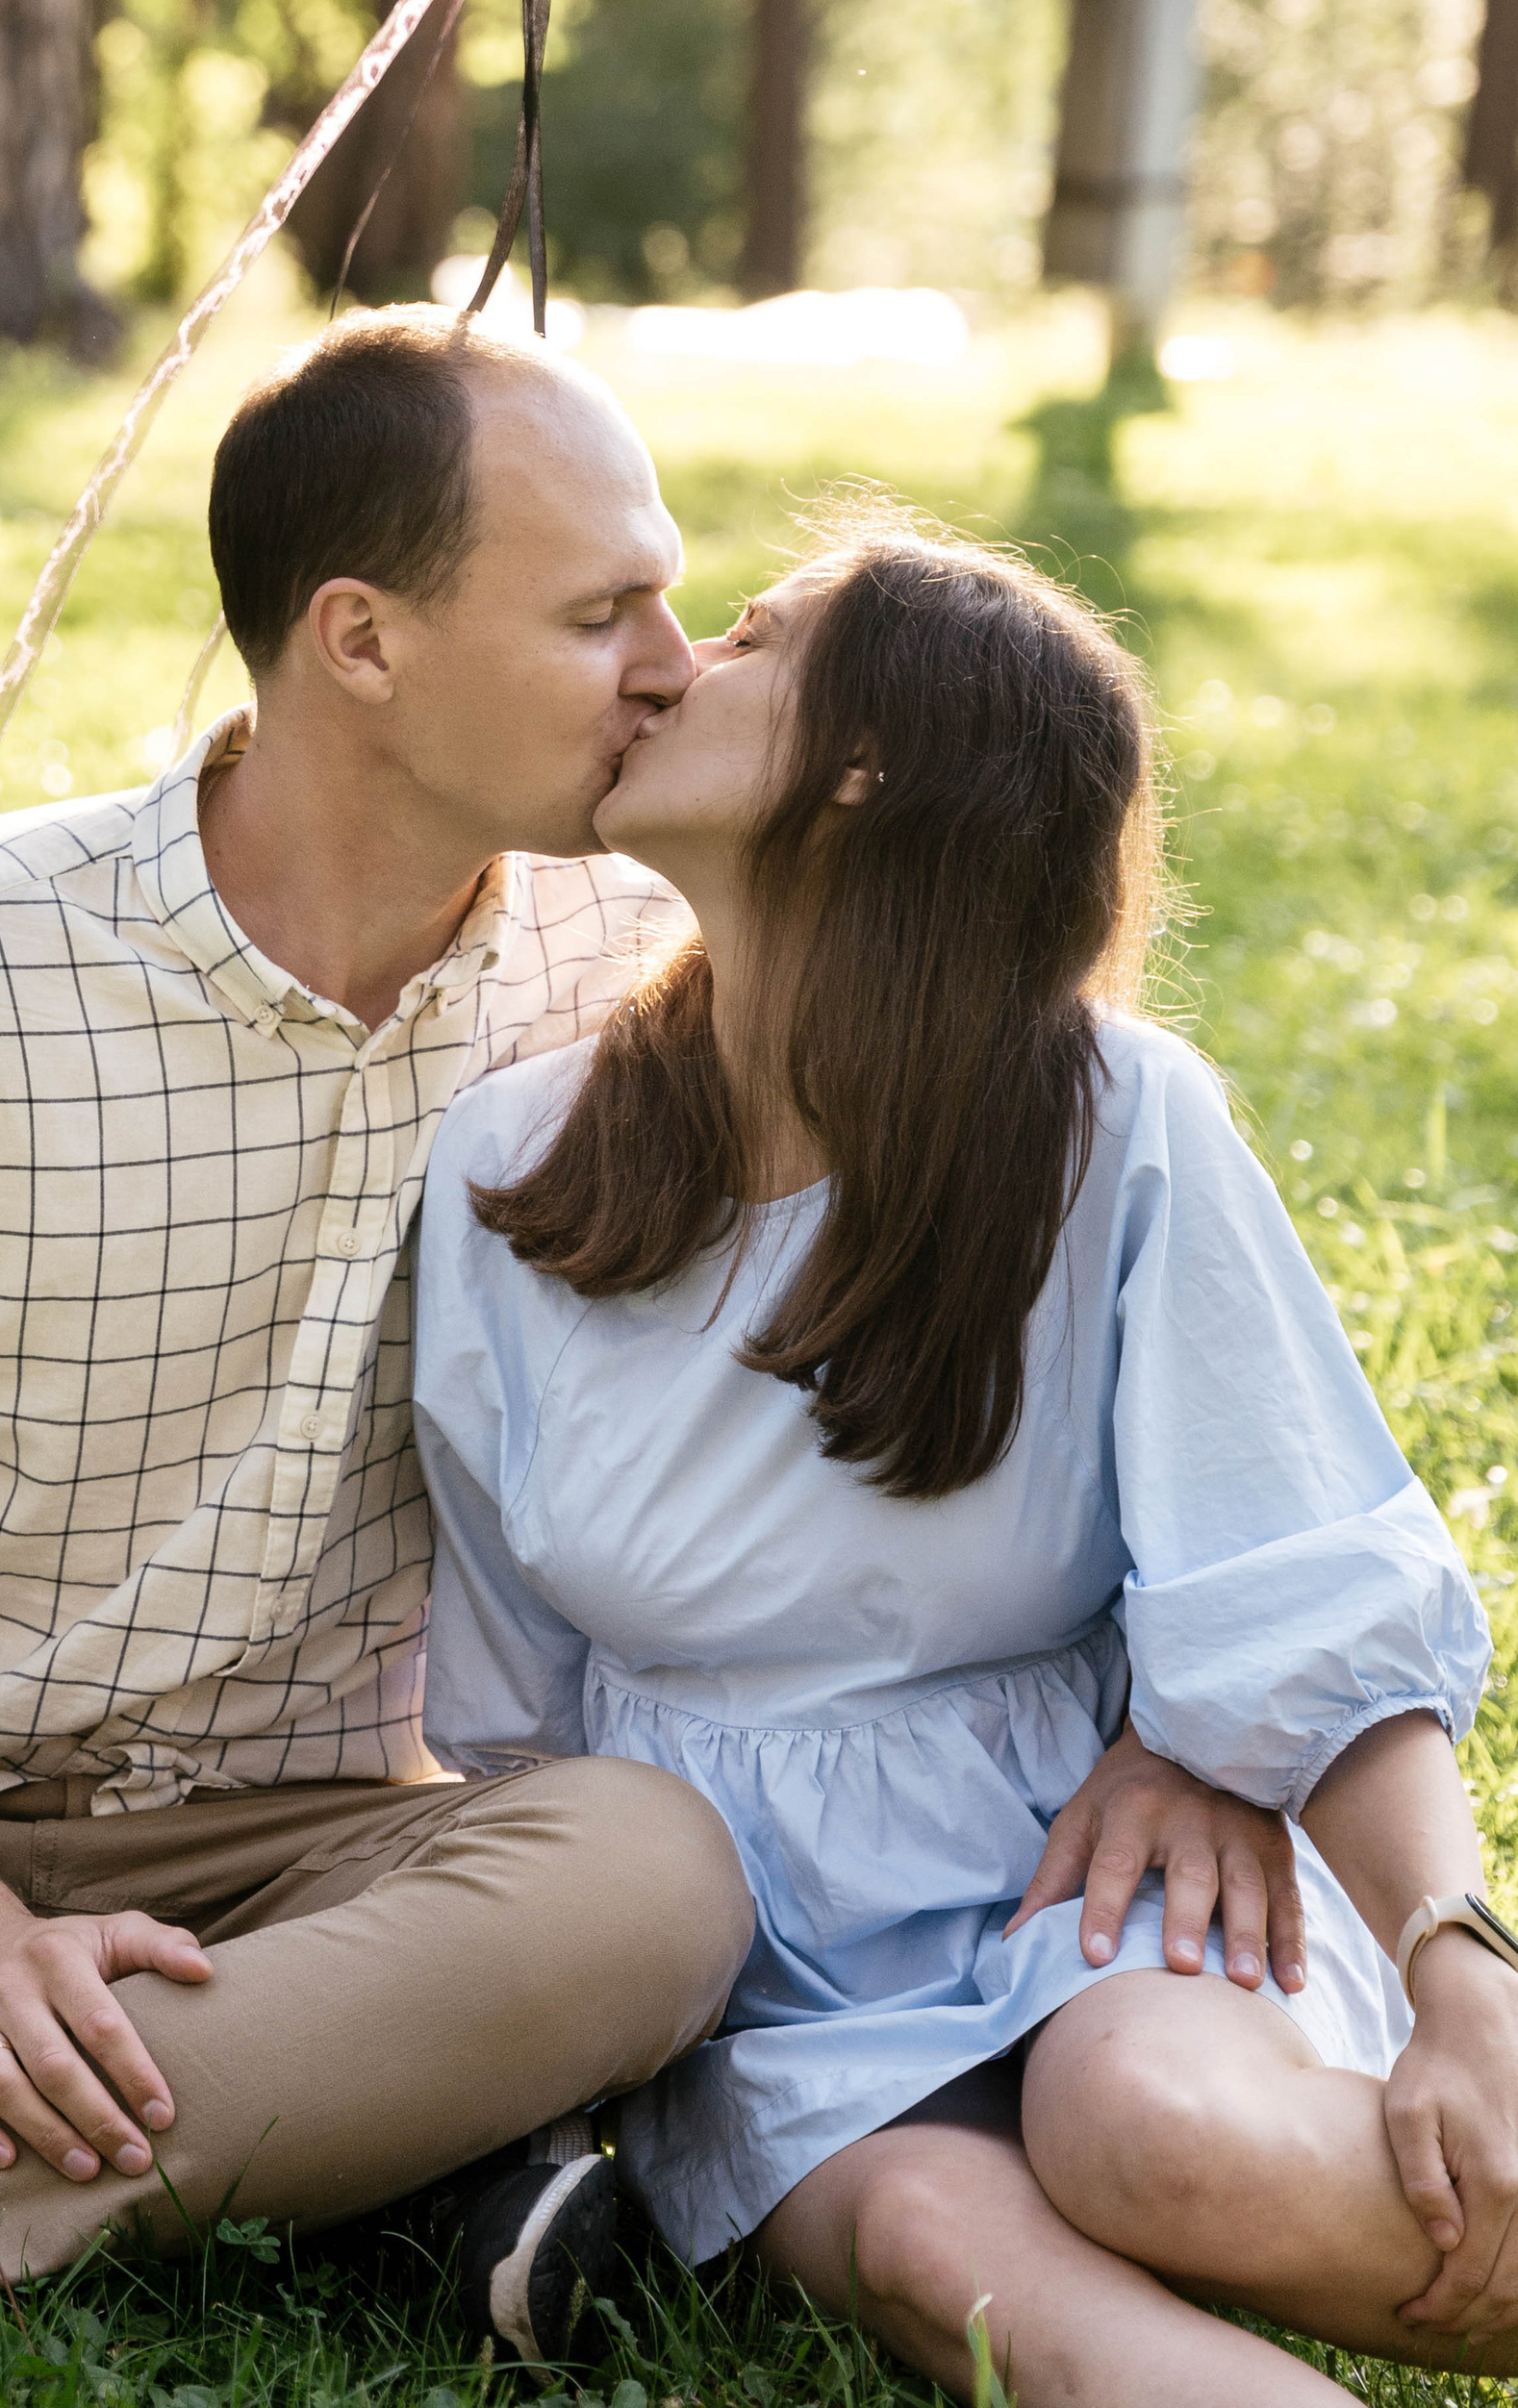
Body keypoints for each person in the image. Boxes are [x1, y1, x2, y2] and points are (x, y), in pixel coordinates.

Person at [0, 323, 1289, 2370]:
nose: (671, 664)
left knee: (651, 1882)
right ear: (359, 642)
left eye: (671, 605)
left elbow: (1041, 1265)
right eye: (601, 614)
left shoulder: (653, 973)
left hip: (341, 1855)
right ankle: (383, 2153)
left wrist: (1179, 1721)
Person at [414, 511, 1510, 2403]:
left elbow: (1300, 1572)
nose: (665, 665)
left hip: (1086, 1863)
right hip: (732, 1963)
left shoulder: (1102, 1120)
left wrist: (1456, 1972)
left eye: (743, 639)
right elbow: (508, 1703)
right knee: (948, 2254)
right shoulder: (508, 1166)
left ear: (863, 769)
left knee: (1161, 2134)